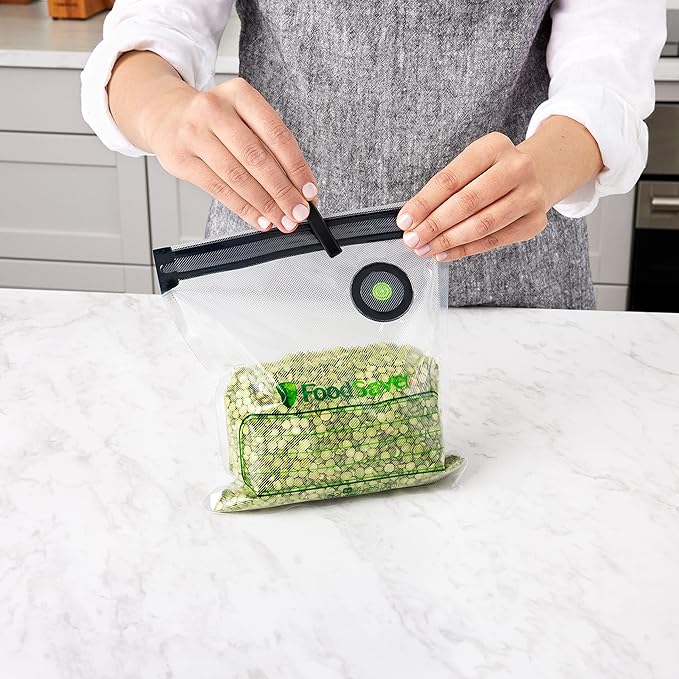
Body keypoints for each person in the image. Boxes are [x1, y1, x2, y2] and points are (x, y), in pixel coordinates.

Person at [81, 0, 666, 309]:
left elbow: (607, 76)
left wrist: (548, 164)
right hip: (277, 286)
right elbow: (152, 30)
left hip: (514, 287)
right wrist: (163, 110)